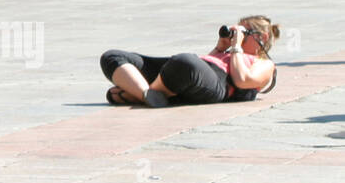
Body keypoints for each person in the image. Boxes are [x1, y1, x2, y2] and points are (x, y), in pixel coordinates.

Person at [101, 15, 279, 107]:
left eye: (244, 32)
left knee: (185, 62)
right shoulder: (229, 51)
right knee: (112, 56)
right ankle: (146, 95)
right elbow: (206, 63)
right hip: (181, 74)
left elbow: (242, 80)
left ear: (261, 37)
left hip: (218, 83)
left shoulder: (264, 63)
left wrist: (236, 47)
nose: (236, 37)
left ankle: (143, 92)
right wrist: (219, 48)